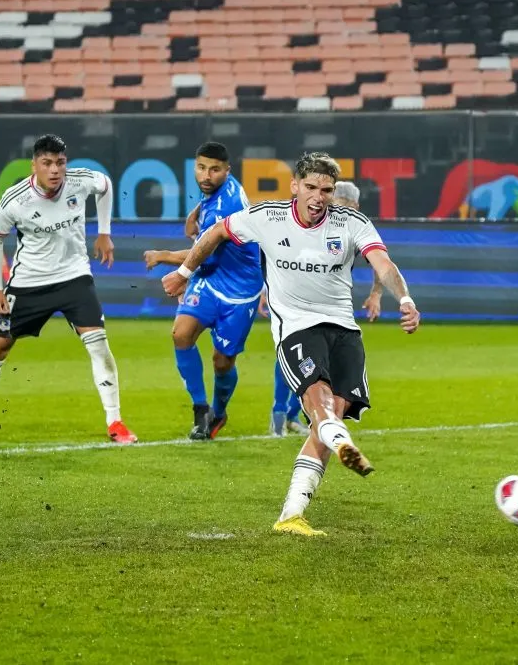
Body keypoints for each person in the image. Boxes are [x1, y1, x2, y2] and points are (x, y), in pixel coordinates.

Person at [161, 152, 421, 536]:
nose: (319, 196)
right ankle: (341, 440)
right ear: (295, 187)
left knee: (326, 420)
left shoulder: (352, 223)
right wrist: (184, 271)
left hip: (344, 332)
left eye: (327, 190)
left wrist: (406, 299)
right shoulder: (266, 216)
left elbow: (383, 263)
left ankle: (292, 515)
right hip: (296, 328)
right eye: (312, 187)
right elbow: (214, 234)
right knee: (319, 403)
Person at [0, 134, 136, 444]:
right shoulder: (15, 199)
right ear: (34, 165)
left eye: (60, 163)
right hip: (29, 282)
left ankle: (115, 422)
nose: (54, 170)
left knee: (98, 346)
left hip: (74, 277)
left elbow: (105, 185)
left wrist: (104, 232)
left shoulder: (80, 182)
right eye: (47, 163)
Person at [144, 142, 263, 440]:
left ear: (227, 170)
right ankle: (200, 409)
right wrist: (196, 212)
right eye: (201, 168)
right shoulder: (216, 191)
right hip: (210, 278)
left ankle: (218, 413)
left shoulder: (228, 205)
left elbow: (203, 252)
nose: (206, 175)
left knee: (222, 361)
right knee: (181, 334)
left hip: (239, 289)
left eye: (214, 170)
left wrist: (164, 256)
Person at [264, 180, 382, 437]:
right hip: (296, 307)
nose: (340, 211)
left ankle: (296, 415)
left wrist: (376, 293)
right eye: (337, 204)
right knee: (293, 358)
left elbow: (380, 262)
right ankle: (278, 413)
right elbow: (283, 258)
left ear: (356, 206)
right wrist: (266, 291)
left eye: (346, 206)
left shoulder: (353, 225)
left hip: (329, 309)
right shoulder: (308, 223)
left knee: (320, 367)